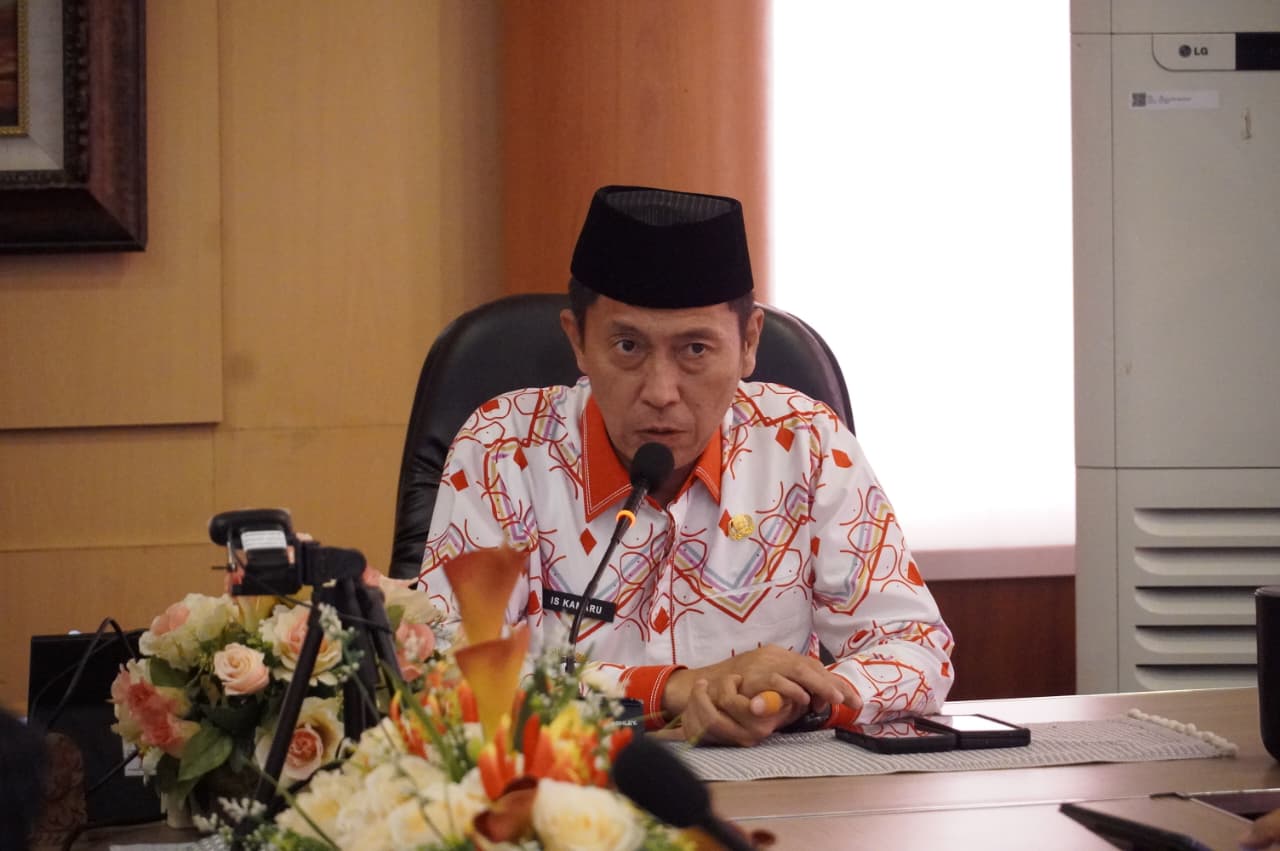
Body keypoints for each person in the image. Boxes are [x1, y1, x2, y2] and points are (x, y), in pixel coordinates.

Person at [419, 185, 954, 746]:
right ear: (578, 341)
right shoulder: (503, 447)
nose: (660, 392)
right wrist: (674, 690)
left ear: (748, 344)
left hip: (771, 779)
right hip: (567, 780)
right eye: (628, 347)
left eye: (695, 350)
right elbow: (447, 666)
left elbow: (916, 646)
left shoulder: (805, 443)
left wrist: (791, 701)